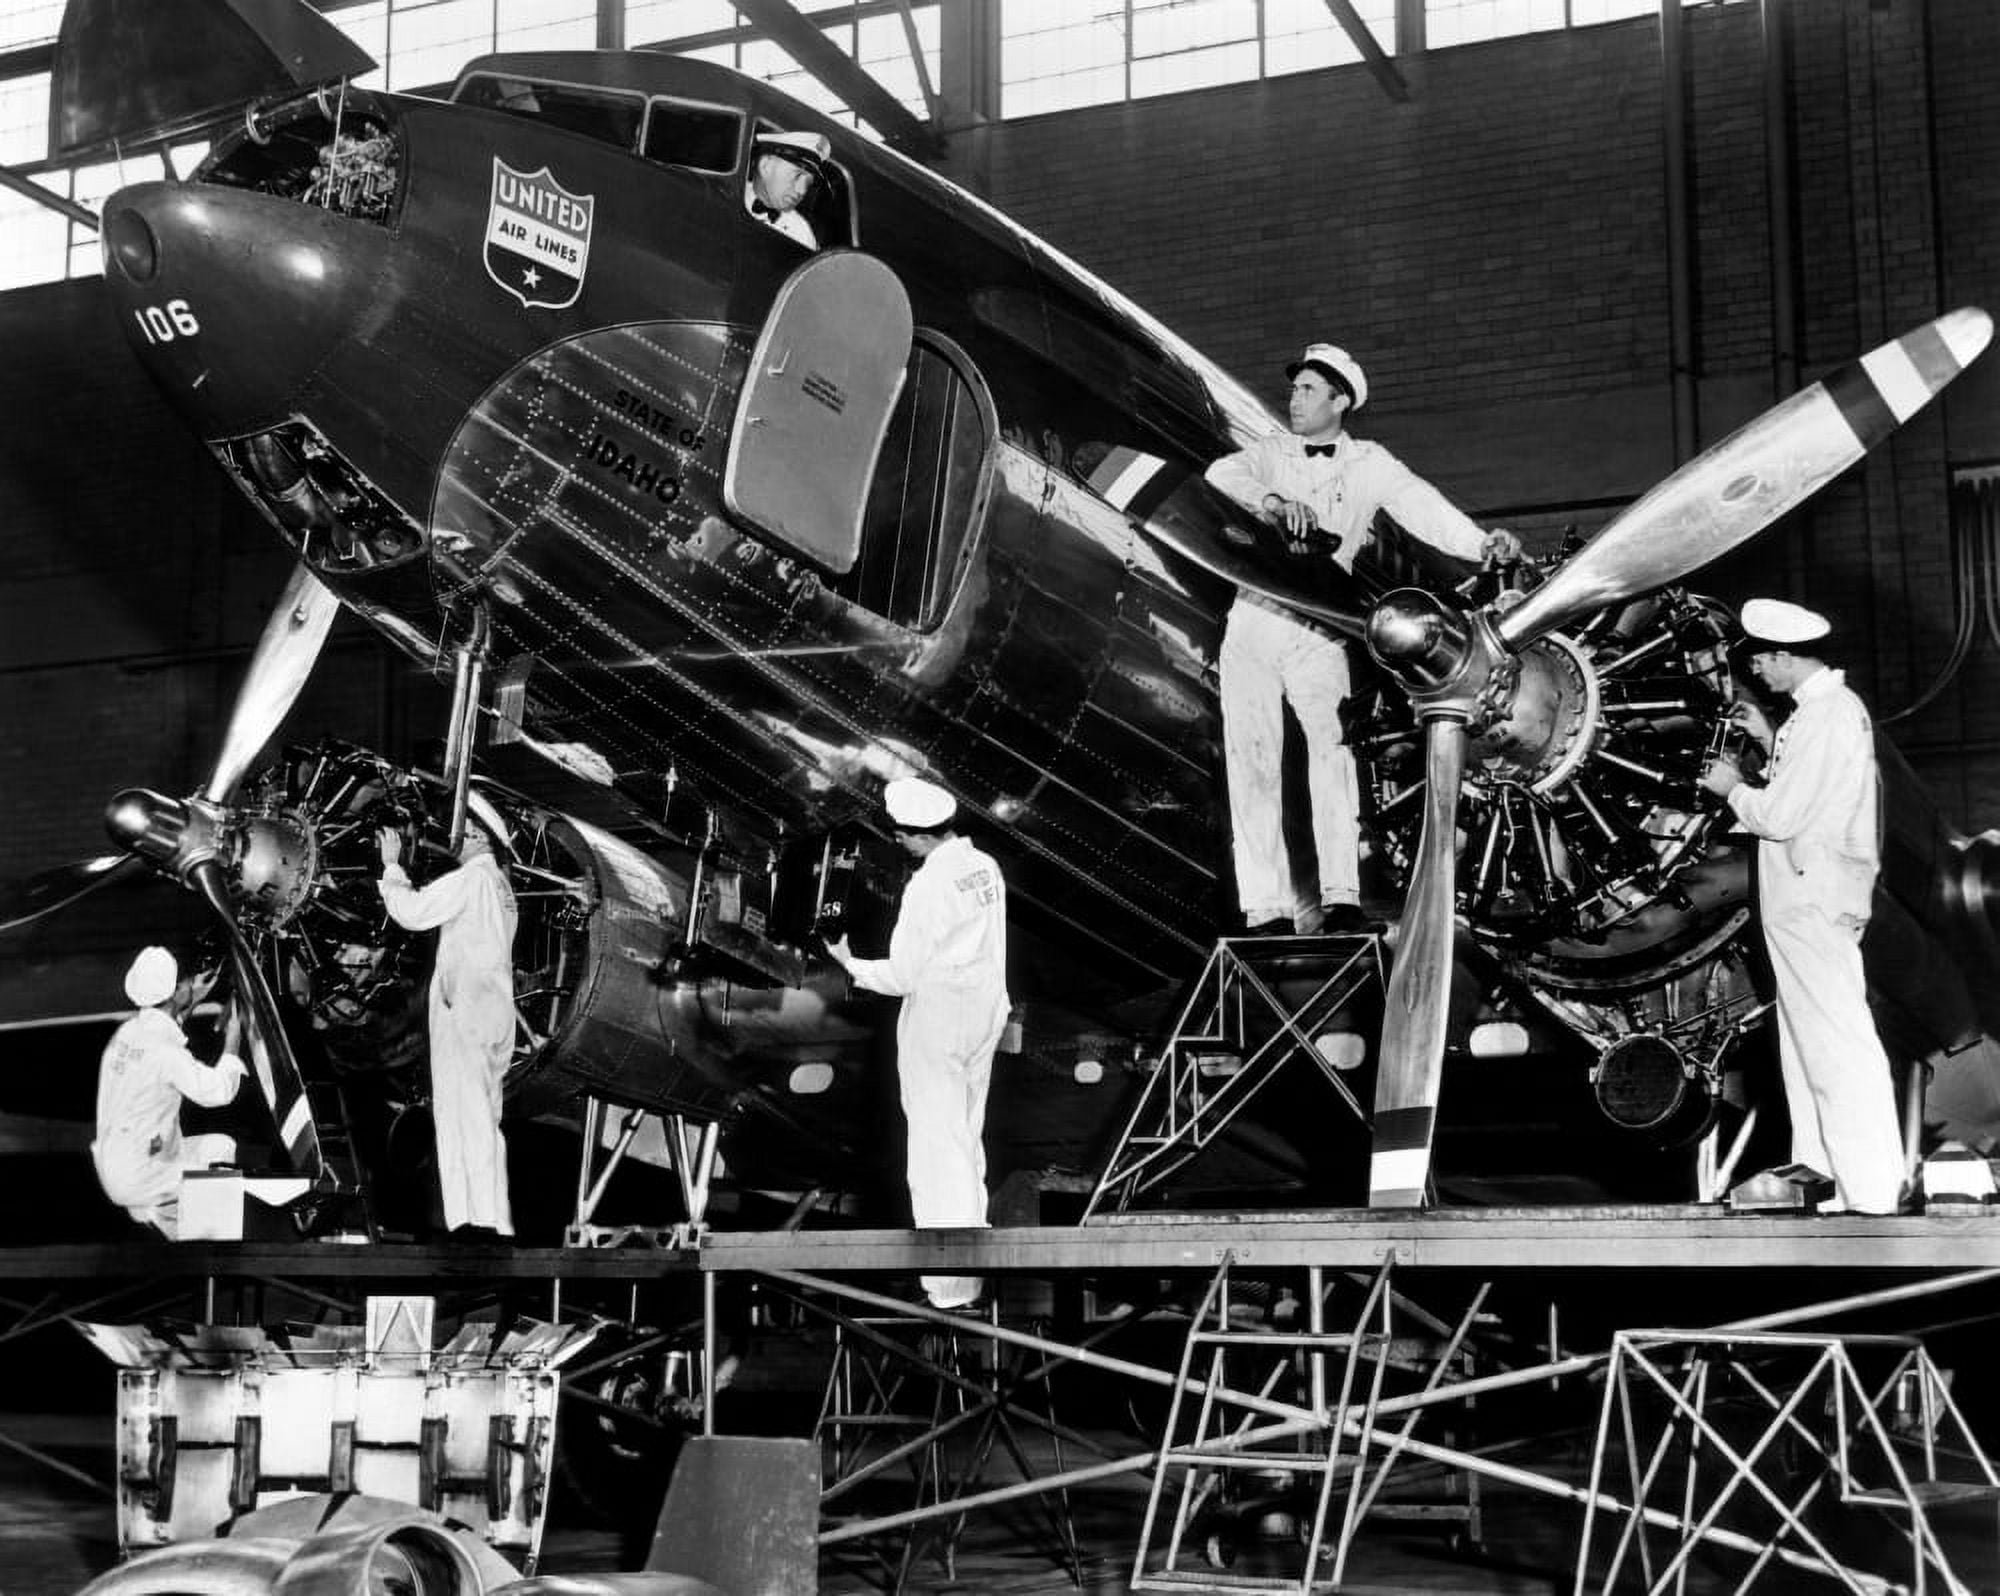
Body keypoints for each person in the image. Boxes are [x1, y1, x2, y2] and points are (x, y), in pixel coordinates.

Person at [1205, 342, 1523, 934]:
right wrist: (1273, 502)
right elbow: (1223, 473)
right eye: (1294, 388)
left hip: (1321, 625)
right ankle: (1265, 909)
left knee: (1333, 755)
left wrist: (1482, 542)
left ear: (1340, 400)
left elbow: (1424, 508)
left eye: (1307, 390)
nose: (1294, 400)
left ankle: (1342, 896)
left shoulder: (1371, 462)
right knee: (1252, 762)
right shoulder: (1270, 452)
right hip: (1253, 619)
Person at [1698, 598, 1905, 1214]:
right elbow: (1804, 793)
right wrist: (1766, 735)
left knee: (1835, 1042)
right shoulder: (1813, 715)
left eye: (1761, 659)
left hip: (1813, 899)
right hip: (1804, 898)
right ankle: (1830, 1179)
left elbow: (1783, 815)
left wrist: (1732, 787)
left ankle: (1870, 1186)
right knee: (1807, 1042)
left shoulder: (1828, 717)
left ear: (1784, 656)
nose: (1757, 670)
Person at [825, 777, 1008, 1311]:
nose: (900, 845)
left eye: (902, 837)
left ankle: (949, 1285)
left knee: (934, 1147)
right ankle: (970, 1271)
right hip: (983, 1008)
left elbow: (903, 974)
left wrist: (848, 962)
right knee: (965, 1138)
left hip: (940, 1017)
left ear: (917, 835)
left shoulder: (927, 885)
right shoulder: (984, 867)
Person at [376, 793, 520, 1242]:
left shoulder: (473, 878)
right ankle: (491, 1218)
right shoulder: (501, 886)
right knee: (485, 1119)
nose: (453, 838)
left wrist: (392, 867)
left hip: (467, 1016)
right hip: (495, 1012)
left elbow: (413, 912)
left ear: (477, 834)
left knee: (464, 1117)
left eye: (461, 830)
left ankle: (475, 1224)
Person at [92, 946, 247, 1239]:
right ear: (174, 992)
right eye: (185, 980)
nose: (191, 981)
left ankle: (171, 1224)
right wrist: (233, 1040)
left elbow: (165, 1029)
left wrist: (192, 999)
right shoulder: (164, 1053)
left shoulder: (128, 1033)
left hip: (118, 1165)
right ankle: (214, 1250)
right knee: (221, 1157)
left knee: (217, 1147)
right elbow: (218, 1092)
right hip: (140, 1176)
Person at [745, 130, 830, 250]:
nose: (802, 191)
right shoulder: (725, 194)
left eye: (808, 184)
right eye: (797, 176)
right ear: (766, 166)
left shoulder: (802, 233)